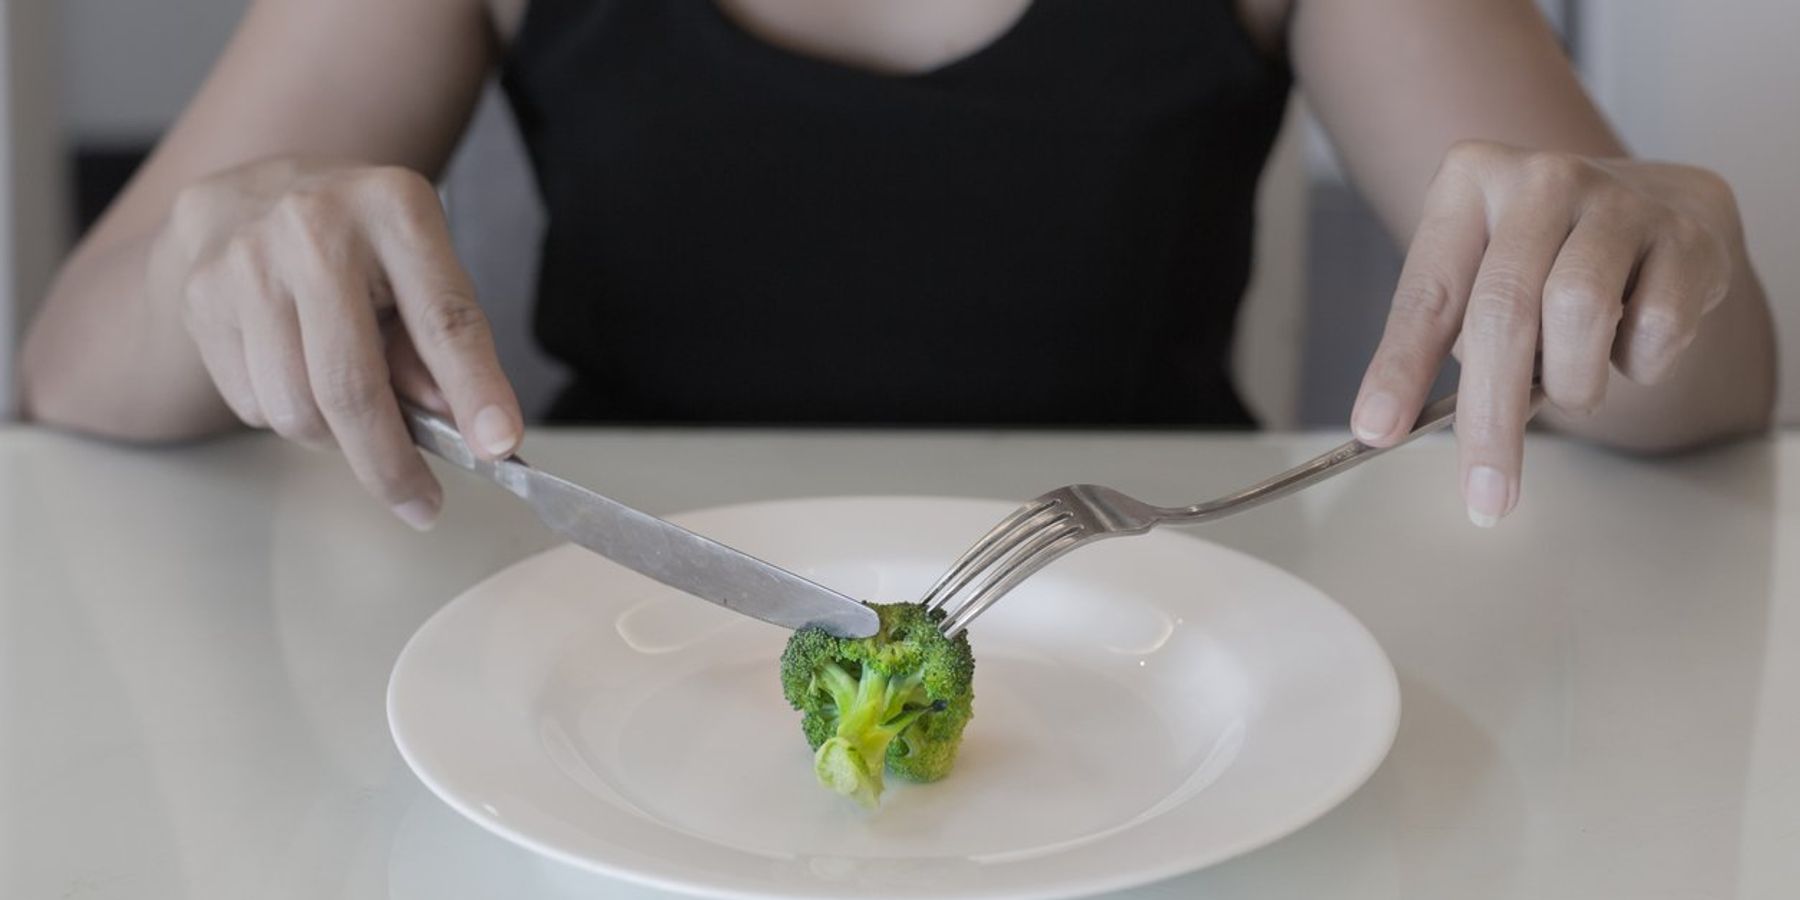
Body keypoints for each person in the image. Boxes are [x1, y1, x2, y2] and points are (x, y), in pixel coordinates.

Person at [19, 0, 1776, 532]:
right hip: (613, 643)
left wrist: (1663, 251)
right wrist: (211, 254)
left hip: (1174, 648)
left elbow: (1701, 402)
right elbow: (74, 369)